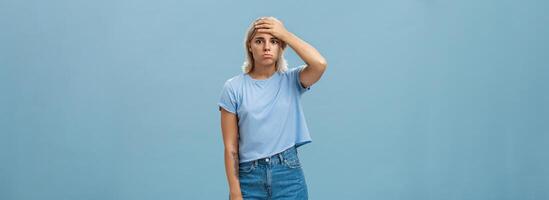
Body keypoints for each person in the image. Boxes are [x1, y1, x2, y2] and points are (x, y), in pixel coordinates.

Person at [218, 16, 327, 200]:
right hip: (248, 177)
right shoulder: (233, 88)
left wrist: (285, 34)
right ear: (250, 47)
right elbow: (230, 147)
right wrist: (235, 191)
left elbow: (320, 64)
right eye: (259, 41)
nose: (267, 47)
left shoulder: (292, 80)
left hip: (288, 175)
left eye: (274, 41)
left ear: (281, 47)